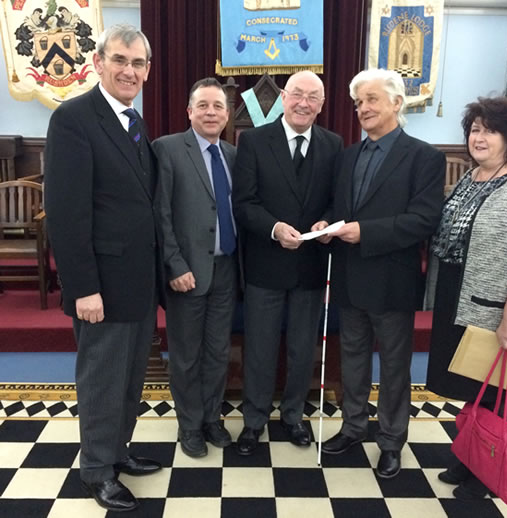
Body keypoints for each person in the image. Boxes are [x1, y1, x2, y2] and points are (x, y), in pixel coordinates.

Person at [44, 24, 163, 512]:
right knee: (101, 379)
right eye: (120, 60)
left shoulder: (134, 121)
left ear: (148, 71)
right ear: (98, 63)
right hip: (101, 287)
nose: (129, 71)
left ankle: (117, 451)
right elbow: (68, 214)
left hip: (136, 281)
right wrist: (83, 288)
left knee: (131, 377)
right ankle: (95, 470)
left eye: (138, 64)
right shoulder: (74, 118)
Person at [425, 96, 507, 499]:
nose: (479, 137)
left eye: (490, 129)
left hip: (501, 310)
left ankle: (489, 473)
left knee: (500, 398)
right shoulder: (472, 176)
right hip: (462, 298)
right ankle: (471, 458)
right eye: (475, 129)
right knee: (474, 390)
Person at [319, 69, 445, 479]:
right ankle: (354, 427)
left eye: (372, 99)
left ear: (396, 102)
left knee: (393, 367)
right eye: (358, 103)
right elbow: (340, 209)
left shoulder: (425, 156)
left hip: (392, 281)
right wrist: (326, 225)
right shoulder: (347, 156)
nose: (363, 109)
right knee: (352, 360)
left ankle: (392, 441)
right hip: (350, 278)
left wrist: (364, 233)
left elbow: (424, 220)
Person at [232, 70, 343, 455]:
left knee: (301, 348)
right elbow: (243, 203)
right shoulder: (254, 142)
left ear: (322, 105)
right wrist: (275, 227)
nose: (303, 103)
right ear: (283, 97)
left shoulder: (333, 144)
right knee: (260, 348)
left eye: (313, 97)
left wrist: (327, 221)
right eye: (297, 94)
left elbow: (336, 199)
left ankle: (293, 416)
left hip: (311, 265)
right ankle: (254, 420)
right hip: (266, 263)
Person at [154, 78, 237, 457]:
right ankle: (189, 426)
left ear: (227, 113)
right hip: (186, 273)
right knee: (186, 355)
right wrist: (174, 264)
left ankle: (211, 419)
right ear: (189, 112)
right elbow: (161, 214)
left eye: (217, 106)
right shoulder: (168, 150)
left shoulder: (234, 156)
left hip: (227, 271)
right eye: (202, 105)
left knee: (218, 352)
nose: (210, 112)